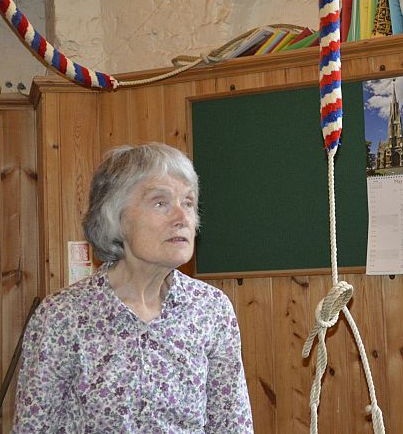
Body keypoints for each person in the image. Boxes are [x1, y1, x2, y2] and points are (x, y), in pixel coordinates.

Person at [13, 143, 253, 433]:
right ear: (115, 218)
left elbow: (232, 424)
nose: (182, 217)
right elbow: (34, 427)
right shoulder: (62, 316)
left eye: (188, 202)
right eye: (160, 202)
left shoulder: (211, 310)